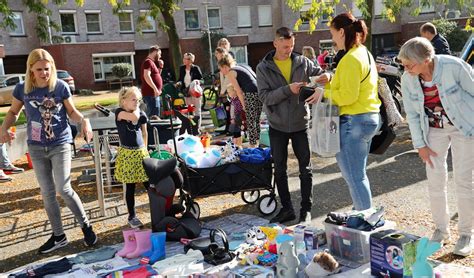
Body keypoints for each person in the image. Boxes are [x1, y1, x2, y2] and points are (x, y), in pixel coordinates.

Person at [0, 48, 97, 253]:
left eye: (47, 68)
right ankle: (59, 236)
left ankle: (85, 224)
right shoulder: (22, 89)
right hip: (36, 147)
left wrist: (84, 121)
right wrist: (4, 128)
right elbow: (13, 112)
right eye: (40, 69)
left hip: (60, 144)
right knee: (47, 193)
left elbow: (72, 111)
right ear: (31, 70)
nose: (44, 73)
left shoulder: (60, 86)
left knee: (63, 187)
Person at [398, 37, 473, 256]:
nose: (406, 68)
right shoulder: (408, 78)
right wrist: (420, 145)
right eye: (404, 64)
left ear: (426, 59)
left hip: (465, 128)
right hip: (433, 129)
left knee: (464, 181)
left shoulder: (453, 66)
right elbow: (411, 114)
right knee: (435, 180)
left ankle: (466, 234)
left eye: (409, 64)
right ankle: (441, 230)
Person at [307, 13, 381, 211]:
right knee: (358, 174)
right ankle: (362, 212)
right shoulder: (363, 52)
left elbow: (348, 96)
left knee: (354, 176)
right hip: (368, 117)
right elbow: (354, 84)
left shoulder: (349, 59)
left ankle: (364, 217)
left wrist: (323, 93)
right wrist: (330, 81)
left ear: (341, 32)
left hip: (354, 120)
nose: (332, 39)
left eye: (332, 33)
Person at [256, 27, 327, 224]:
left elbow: (321, 76)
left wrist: (325, 79)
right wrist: (288, 90)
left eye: (292, 46)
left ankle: (306, 210)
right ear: (275, 43)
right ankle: (287, 209)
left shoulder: (303, 62)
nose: (289, 50)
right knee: (279, 169)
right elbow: (264, 97)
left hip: (300, 123)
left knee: (306, 169)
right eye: (285, 46)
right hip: (277, 125)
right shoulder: (263, 68)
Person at [114, 86, 150, 228]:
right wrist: (139, 110)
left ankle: (158, 208)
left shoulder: (140, 113)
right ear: (123, 102)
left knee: (149, 183)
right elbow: (134, 117)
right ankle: (132, 215)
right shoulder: (120, 113)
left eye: (138, 99)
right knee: (130, 186)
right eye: (133, 99)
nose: (137, 102)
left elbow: (145, 132)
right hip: (128, 154)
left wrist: (145, 150)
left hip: (140, 152)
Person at [218, 54, 262, 147]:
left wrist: (244, 105)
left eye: (220, 69)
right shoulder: (241, 67)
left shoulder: (230, 72)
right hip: (259, 92)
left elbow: (238, 91)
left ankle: (253, 146)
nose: (221, 72)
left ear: (225, 67)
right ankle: (258, 143)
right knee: (256, 120)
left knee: (250, 121)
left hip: (250, 94)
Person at [177, 52, 203, 133]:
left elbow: (202, 80)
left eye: (187, 59)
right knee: (189, 109)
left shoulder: (196, 68)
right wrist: (179, 83)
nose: (184, 60)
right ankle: (190, 127)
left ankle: (197, 127)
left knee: (197, 109)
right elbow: (180, 79)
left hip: (195, 92)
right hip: (186, 92)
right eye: (184, 58)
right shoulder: (182, 68)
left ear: (191, 60)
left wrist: (197, 81)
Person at [141, 45, 163, 120]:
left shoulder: (151, 62)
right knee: (153, 116)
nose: (160, 56)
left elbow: (156, 76)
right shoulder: (148, 62)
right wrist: (155, 89)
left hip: (153, 93)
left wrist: (160, 67)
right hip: (151, 94)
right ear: (155, 52)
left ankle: (155, 130)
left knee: (155, 114)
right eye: (159, 54)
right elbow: (146, 76)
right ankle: (152, 131)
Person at [215, 47, 232, 134]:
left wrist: (222, 91)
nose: (218, 56)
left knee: (229, 110)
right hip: (223, 90)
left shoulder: (225, 63)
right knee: (226, 110)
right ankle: (227, 128)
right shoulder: (219, 63)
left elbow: (226, 79)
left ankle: (230, 129)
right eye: (217, 54)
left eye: (220, 54)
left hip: (228, 90)